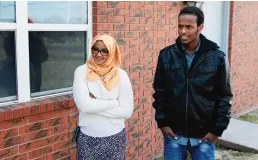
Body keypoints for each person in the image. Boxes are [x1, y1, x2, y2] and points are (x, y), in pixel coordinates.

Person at [152, 6, 233, 160]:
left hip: (203, 136)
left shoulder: (217, 57)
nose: (183, 31)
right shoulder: (166, 55)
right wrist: (162, 123)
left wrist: (217, 130)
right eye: (180, 26)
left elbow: (225, 96)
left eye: (188, 27)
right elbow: (160, 92)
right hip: (174, 134)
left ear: (200, 27)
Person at [72, 33, 134, 160]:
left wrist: (94, 103)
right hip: (88, 138)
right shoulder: (81, 71)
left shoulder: (121, 75)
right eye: (95, 49)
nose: (98, 54)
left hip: (115, 138)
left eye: (104, 50)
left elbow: (127, 112)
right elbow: (84, 106)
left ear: (112, 52)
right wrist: (114, 102)